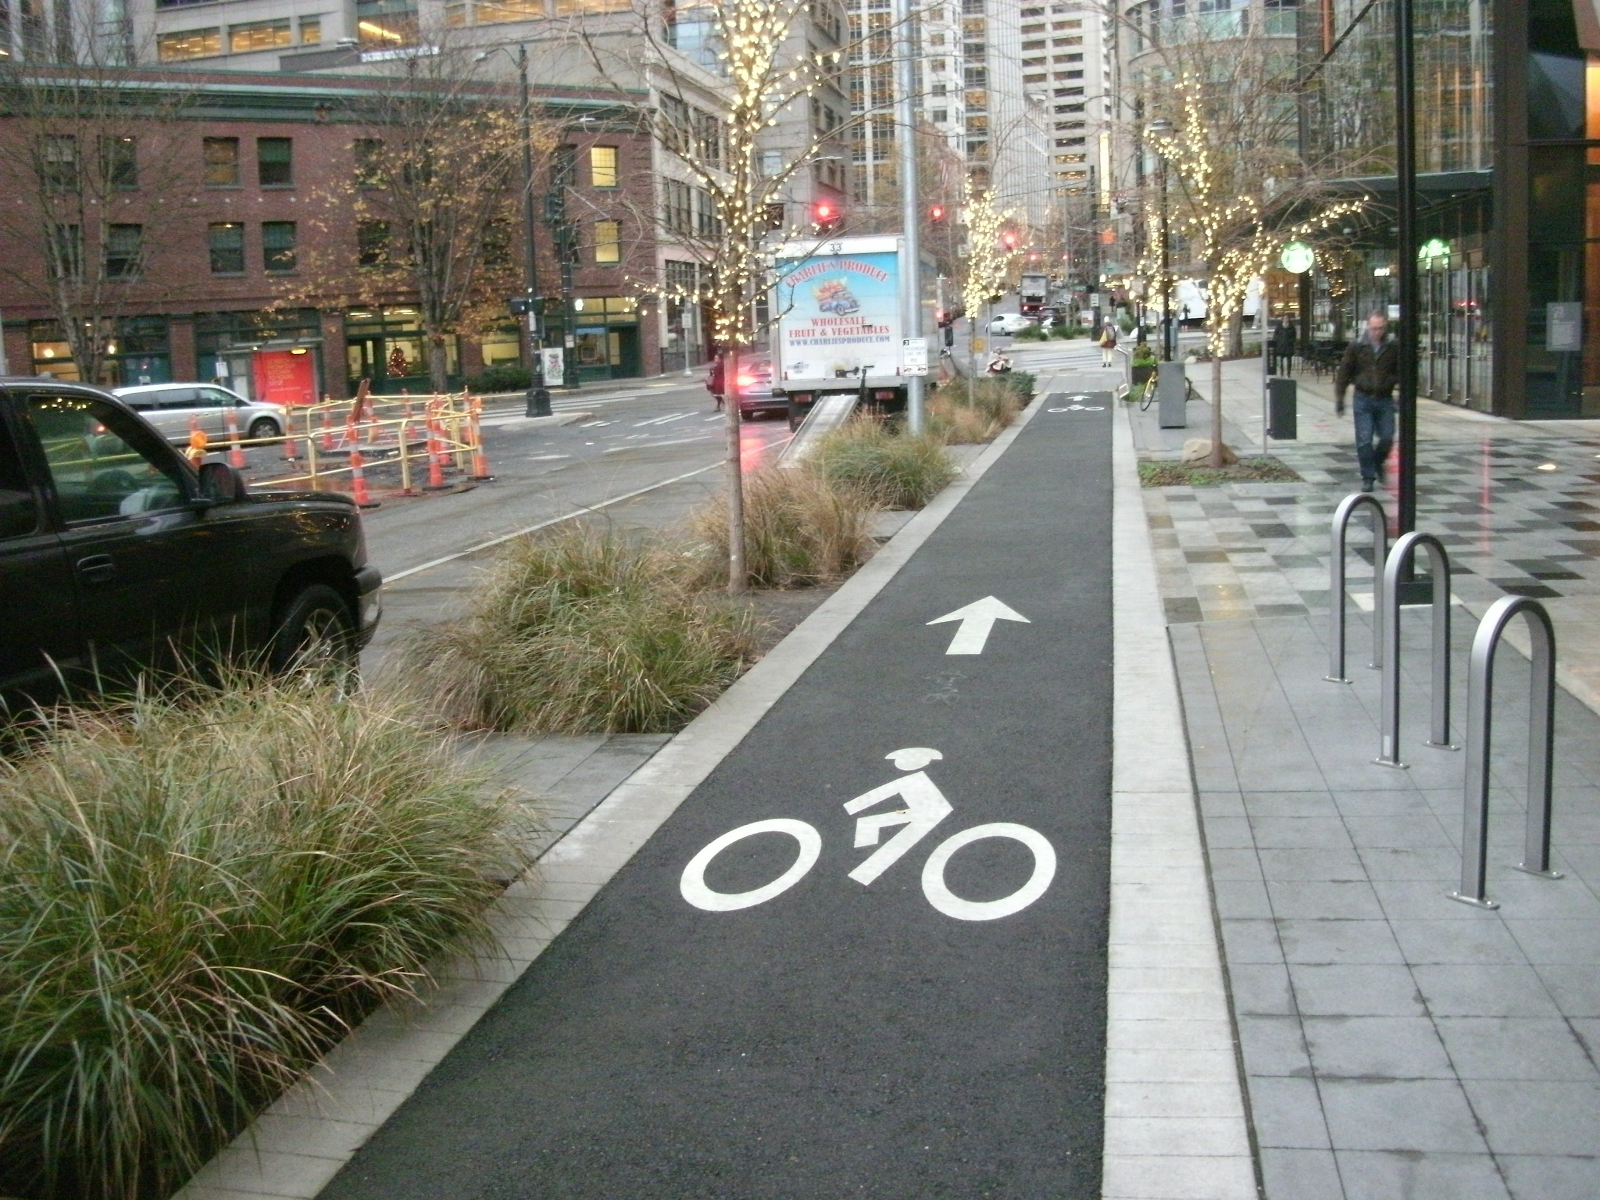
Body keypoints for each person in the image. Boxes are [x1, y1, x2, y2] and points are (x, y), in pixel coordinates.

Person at [1334, 310, 1400, 492]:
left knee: (1387, 436)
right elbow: (1344, 372)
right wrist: (1340, 398)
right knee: (1364, 439)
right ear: (1367, 327)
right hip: (1363, 397)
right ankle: (1368, 477)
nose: (1376, 332)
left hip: (1384, 397)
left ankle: (1378, 462)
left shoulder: (1392, 346)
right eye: (1373, 328)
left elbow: (1401, 370)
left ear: (1385, 327)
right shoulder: (1357, 346)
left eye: (1380, 329)